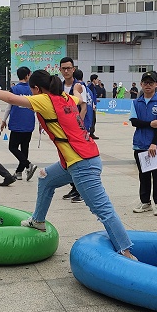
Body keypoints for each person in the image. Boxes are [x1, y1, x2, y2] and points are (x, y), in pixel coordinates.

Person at [0, 71, 137, 260]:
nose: (32, 94)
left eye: (33, 91)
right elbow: (80, 99)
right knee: (45, 178)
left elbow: (12, 99)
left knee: (103, 210)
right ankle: (38, 220)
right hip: (80, 159)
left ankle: (126, 252)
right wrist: (78, 94)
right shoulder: (66, 97)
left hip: (82, 163)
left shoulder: (45, 100)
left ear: (37, 89)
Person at [130, 71, 157, 216]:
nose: (148, 85)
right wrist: (149, 123)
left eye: (151, 83)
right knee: (143, 175)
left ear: (156, 84)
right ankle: (145, 201)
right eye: (145, 83)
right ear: (141, 84)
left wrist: (154, 143)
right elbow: (134, 122)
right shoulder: (136, 102)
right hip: (140, 144)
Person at [1, 66, 38, 181]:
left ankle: (28, 165)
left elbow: (8, 106)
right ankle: (19, 172)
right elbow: (37, 107)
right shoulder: (33, 90)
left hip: (17, 123)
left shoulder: (14, 89)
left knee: (12, 147)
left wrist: (3, 120)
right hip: (28, 123)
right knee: (24, 147)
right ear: (27, 75)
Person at [57, 57, 87, 203]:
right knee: (67, 159)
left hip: (77, 130)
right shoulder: (59, 87)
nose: (67, 71)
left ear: (74, 69)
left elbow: (84, 107)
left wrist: (78, 125)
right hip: (63, 129)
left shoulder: (80, 86)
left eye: (69, 68)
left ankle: (80, 190)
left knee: (77, 160)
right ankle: (74, 188)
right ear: (60, 70)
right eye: (64, 68)